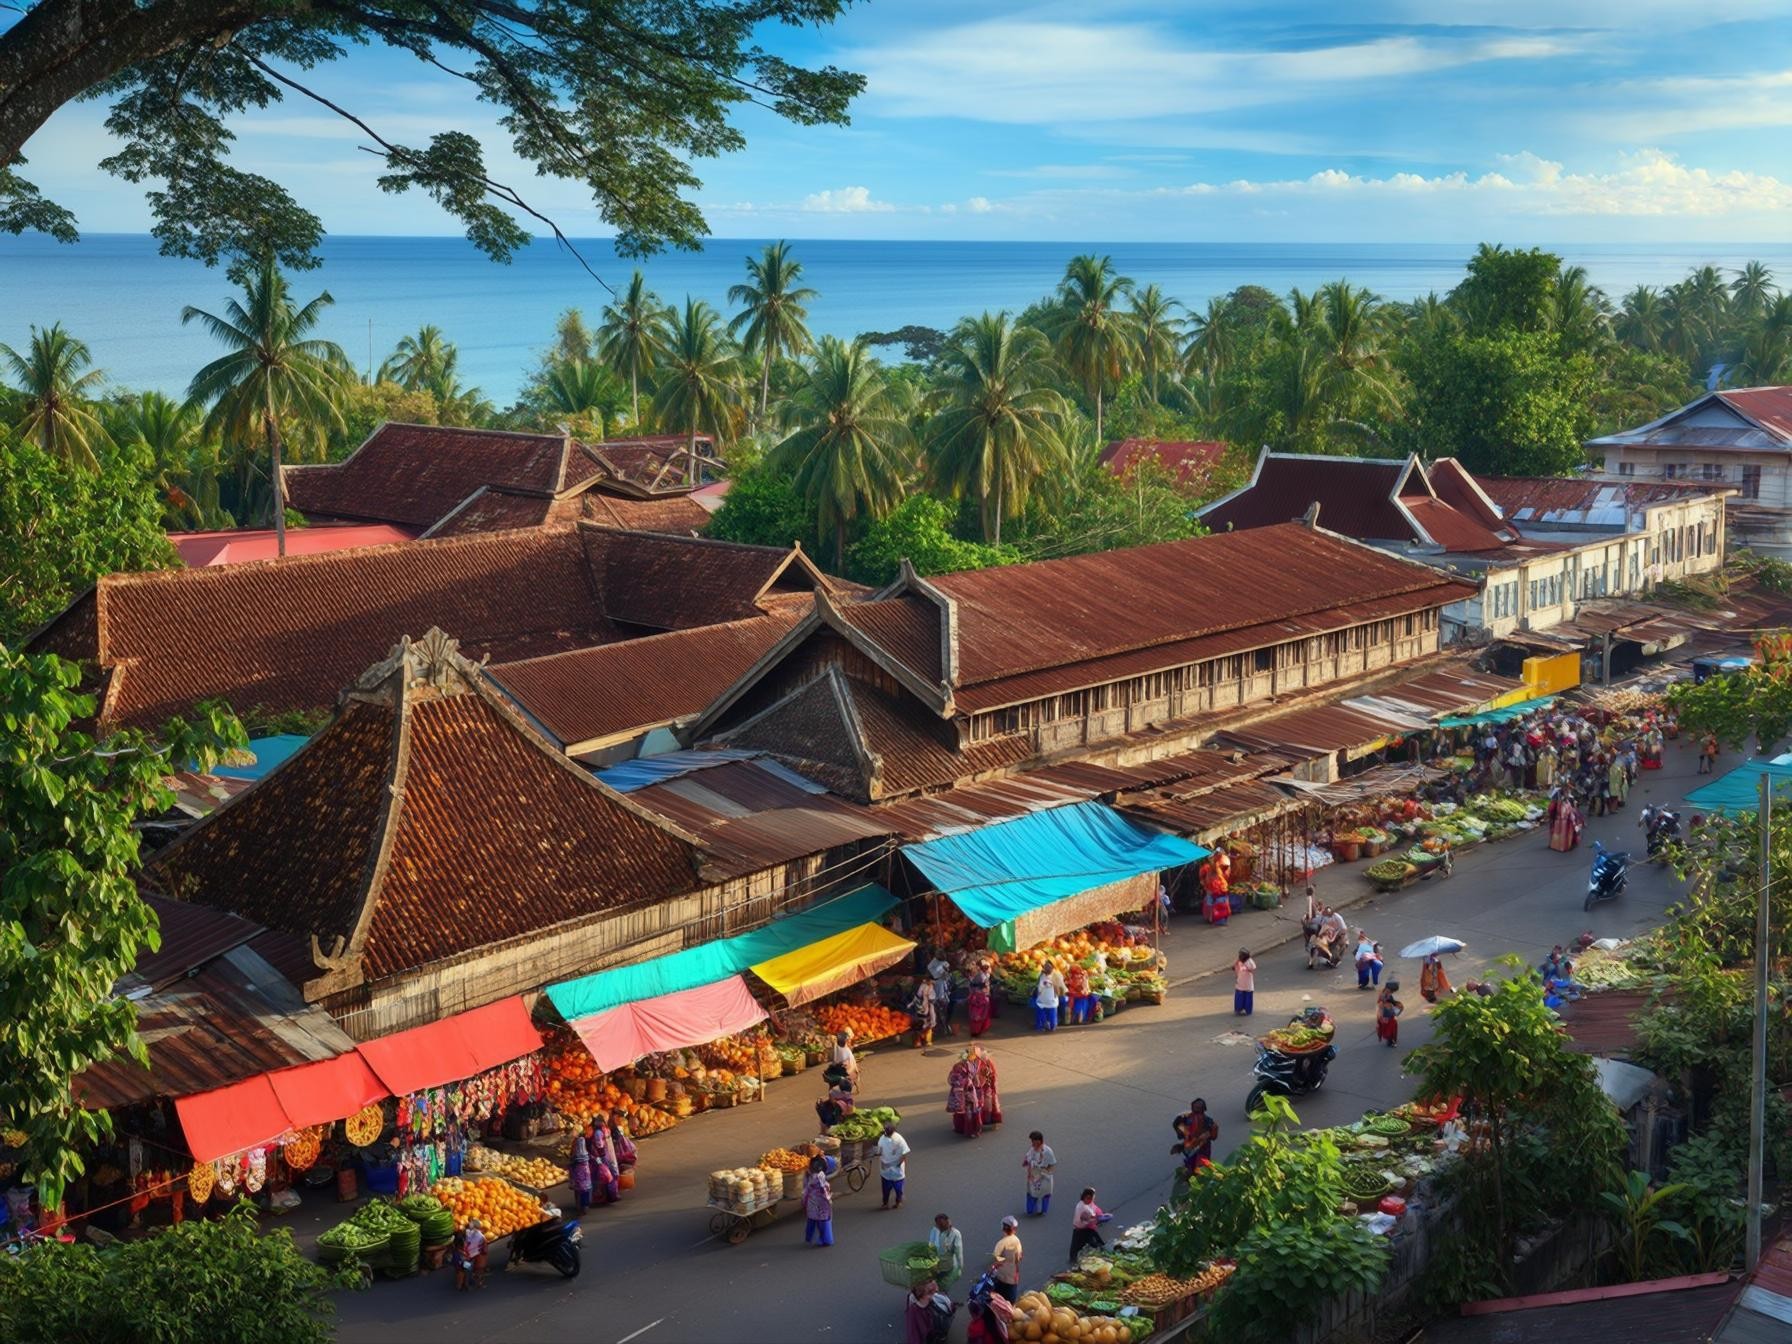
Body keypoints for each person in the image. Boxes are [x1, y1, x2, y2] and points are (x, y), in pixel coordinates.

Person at [1172, 1099, 1218, 1174]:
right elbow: (1178, 1125)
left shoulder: (1208, 1121)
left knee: (1201, 1165)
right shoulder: (1186, 1118)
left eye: (1199, 1108)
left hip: (1202, 1147)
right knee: (1190, 1161)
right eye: (1195, 1108)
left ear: (1204, 1109)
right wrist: (1183, 1133)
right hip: (1190, 1146)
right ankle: (1191, 1171)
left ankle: (1201, 1174)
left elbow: (1213, 1134)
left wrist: (1207, 1135)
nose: (1197, 1110)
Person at [947, 1051, 984, 1139]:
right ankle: (971, 1131)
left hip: (962, 1092)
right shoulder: (972, 1066)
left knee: (964, 1111)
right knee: (970, 1111)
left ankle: (961, 1128)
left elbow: (950, 1079)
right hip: (968, 1092)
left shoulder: (958, 1066)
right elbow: (976, 1080)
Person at [877, 1118, 910, 1211]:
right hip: (886, 1168)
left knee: (898, 1188)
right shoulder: (882, 1139)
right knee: (886, 1189)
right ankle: (885, 1203)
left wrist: (899, 1164)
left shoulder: (899, 1139)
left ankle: (898, 1201)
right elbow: (879, 1151)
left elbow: (904, 1153)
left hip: (897, 1168)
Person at [1068, 1187, 1108, 1264]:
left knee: (1077, 1247)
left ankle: (1075, 1258)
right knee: (1093, 1243)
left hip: (1083, 1228)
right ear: (1086, 1198)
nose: (1092, 1200)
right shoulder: (1082, 1207)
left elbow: (1094, 1209)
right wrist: (1099, 1218)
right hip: (1082, 1229)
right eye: (1091, 1198)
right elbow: (1090, 1217)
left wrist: (1100, 1215)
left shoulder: (1084, 1204)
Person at [990, 1216, 1024, 1303]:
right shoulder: (1017, 1241)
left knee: (997, 1300)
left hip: (1001, 1276)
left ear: (1003, 1228)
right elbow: (1019, 1257)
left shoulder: (1001, 1243)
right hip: (1012, 1277)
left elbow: (996, 1258)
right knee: (1010, 1302)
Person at [1021, 1131, 1056, 1216]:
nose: (1032, 1143)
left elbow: (1052, 1165)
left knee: (1044, 1194)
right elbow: (1028, 1158)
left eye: (1033, 1141)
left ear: (1039, 1141)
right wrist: (1027, 1164)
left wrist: (1044, 1171)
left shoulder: (1047, 1151)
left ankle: (1042, 1210)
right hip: (1033, 1176)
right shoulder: (1032, 1149)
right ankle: (1030, 1209)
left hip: (1044, 1177)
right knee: (1031, 1194)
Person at [803, 1154, 834, 1247]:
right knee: (823, 1222)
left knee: (811, 1220)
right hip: (821, 1204)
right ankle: (826, 1240)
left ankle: (809, 1237)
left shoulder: (808, 1175)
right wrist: (828, 1198)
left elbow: (806, 1188)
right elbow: (824, 1188)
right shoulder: (820, 1176)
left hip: (811, 1202)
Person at [972, 1045, 1004, 1128]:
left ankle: (984, 1120)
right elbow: (993, 1074)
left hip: (983, 1088)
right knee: (987, 1104)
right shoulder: (986, 1063)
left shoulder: (979, 1064)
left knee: (984, 1105)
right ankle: (987, 1120)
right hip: (986, 1088)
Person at [929, 1212, 964, 1283]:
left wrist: (960, 1267)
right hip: (937, 1266)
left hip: (946, 1266)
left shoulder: (955, 1234)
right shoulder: (935, 1231)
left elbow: (958, 1252)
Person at [453, 1218, 486, 1290]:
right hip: (462, 1259)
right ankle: (466, 1284)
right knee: (467, 1270)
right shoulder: (464, 1240)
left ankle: (461, 1284)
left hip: (459, 1259)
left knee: (460, 1271)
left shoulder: (462, 1238)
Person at [929, 953, 957, 1038]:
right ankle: (944, 1030)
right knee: (942, 1014)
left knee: (943, 1014)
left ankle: (944, 1029)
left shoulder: (942, 976)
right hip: (941, 998)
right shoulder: (938, 978)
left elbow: (950, 984)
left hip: (943, 998)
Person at [967, 958, 994, 1038]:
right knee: (979, 1015)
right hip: (980, 997)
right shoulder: (982, 975)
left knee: (979, 1014)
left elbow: (974, 984)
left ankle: (978, 1030)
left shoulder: (983, 975)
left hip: (980, 997)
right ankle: (977, 1030)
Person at [568, 1134, 594, 1213]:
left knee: (578, 1191)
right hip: (585, 1176)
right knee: (585, 1190)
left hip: (578, 1176)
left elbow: (572, 1162)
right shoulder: (585, 1154)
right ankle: (585, 1205)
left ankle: (579, 1205)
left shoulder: (576, 1155)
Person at [910, 977, 938, 1049]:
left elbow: (933, 998)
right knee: (920, 1024)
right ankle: (919, 1041)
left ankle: (926, 1040)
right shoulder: (923, 986)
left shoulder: (931, 986)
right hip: (922, 1007)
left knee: (928, 1025)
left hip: (928, 1007)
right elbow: (918, 996)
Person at [1376, 980, 1403, 1047]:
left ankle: (1391, 1040)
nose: (1392, 992)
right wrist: (1381, 1018)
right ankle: (1390, 1040)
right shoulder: (1382, 997)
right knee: (1389, 1030)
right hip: (1386, 1017)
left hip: (1389, 1015)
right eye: (1391, 991)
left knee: (1391, 1029)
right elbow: (1380, 1009)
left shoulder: (1387, 995)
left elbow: (1392, 1002)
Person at [1033, 965, 1059, 1033]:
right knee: (1052, 1013)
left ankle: (1040, 1026)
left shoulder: (1042, 977)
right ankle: (1052, 1026)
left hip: (1042, 1000)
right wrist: (1056, 995)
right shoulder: (1054, 977)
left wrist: (1038, 995)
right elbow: (1057, 989)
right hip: (1051, 1001)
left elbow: (1039, 989)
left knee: (1040, 1010)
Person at [1233, 948, 1257, 1016]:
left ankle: (1247, 1010)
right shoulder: (1239, 961)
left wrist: (1246, 967)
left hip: (1247, 982)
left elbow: (1253, 967)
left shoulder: (1249, 961)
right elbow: (1236, 967)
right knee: (1240, 996)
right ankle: (1238, 1009)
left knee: (1247, 996)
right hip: (1240, 981)